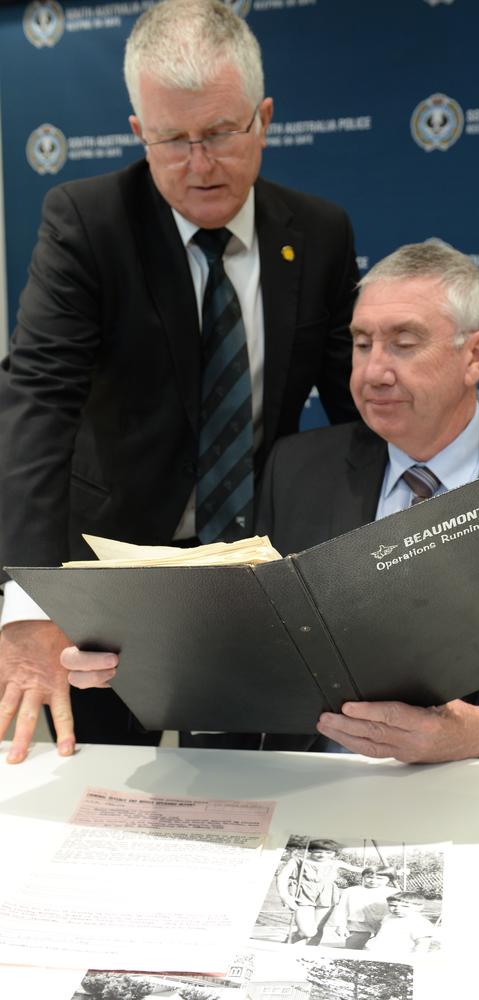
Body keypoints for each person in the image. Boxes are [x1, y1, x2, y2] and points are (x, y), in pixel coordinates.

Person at [61, 239, 479, 761]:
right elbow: (249, 648)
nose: (373, 372)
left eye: (404, 343)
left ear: (476, 355)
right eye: (362, 344)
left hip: (474, 790)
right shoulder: (298, 467)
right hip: (309, 788)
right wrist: (145, 660)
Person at [0, 0, 358, 763]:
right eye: (172, 140)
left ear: (264, 118)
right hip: (108, 572)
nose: (201, 165)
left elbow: (355, 415)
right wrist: (30, 601)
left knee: (242, 792)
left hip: (249, 574)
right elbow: (36, 404)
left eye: (222, 133)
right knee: (86, 780)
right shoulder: (87, 223)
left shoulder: (320, 235)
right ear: (138, 132)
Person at [275, 839, 363, 946]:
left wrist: (385, 870)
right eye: (318, 852)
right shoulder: (299, 861)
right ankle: (288, 942)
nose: (323, 855)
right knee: (307, 932)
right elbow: (282, 877)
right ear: (311, 850)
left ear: (335, 853)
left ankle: (309, 954)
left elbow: (363, 870)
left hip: (326, 896)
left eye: (328, 853)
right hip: (303, 895)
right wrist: (285, 896)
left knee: (318, 929)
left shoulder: (336, 863)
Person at [331, 866, 398, 949]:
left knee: (383, 949)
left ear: (389, 879)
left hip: (384, 924)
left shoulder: (394, 892)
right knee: (352, 949)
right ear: (363, 877)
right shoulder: (351, 891)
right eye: (369, 877)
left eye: (379, 878)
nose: (373, 881)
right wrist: (341, 926)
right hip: (358, 924)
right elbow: (342, 909)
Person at [363, 892, 435, 955]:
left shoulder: (419, 922)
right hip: (377, 951)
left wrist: (414, 959)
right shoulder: (388, 917)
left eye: (405, 906)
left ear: (419, 908)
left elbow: (422, 944)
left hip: (400, 954)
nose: (397, 908)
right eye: (392, 905)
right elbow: (381, 934)